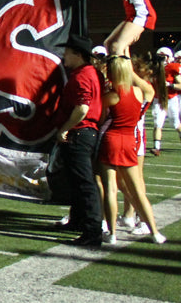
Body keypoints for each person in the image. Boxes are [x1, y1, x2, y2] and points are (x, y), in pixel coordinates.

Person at [97, 55, 166, 244]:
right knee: (137, 191)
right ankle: (154, 231)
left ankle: (112, 234)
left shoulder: (110, 95)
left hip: (111, 140)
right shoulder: (138, 92)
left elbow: (101, 120)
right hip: (130, 141)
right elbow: (149, 93)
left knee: (110, 187)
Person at [51, 33, 104, 247]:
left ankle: (92, 230)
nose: (64, 55)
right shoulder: (90, 72)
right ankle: (78, 221)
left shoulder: (83, 75)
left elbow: (83, 107)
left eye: (67, 51)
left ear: (77, 54)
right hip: (85, 132)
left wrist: (65, 128)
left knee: (84, 183)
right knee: (77, 182)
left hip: (80, 133)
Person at [149, 47, 180, 156]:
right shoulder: (153, 69)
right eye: (159, 57)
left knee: (176, 123)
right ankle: (156, 147)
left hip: (171, 99)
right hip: (158, 99)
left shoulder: (172, 67)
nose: (161, 59)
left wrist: (170, 85)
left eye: (163, 57)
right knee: (158, 123)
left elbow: (180, 85)